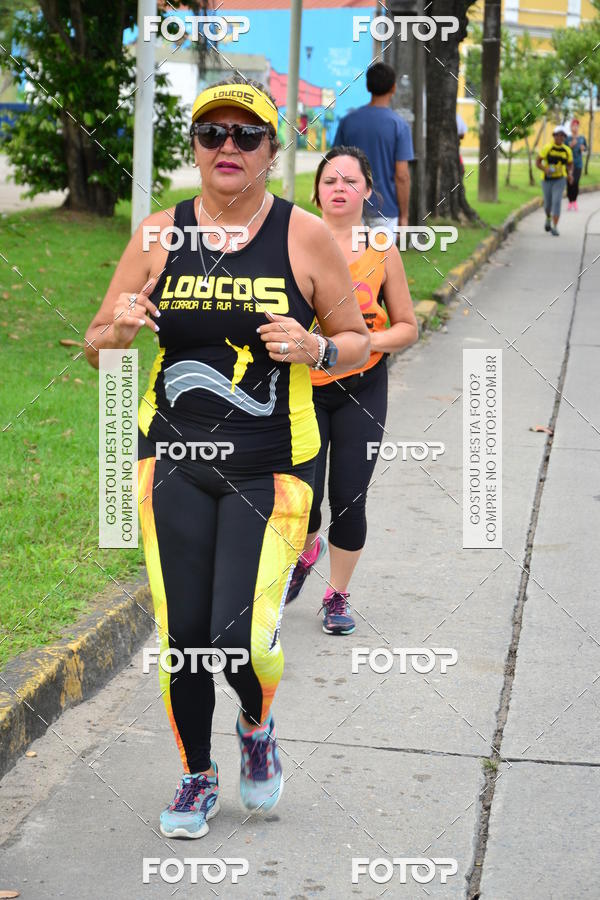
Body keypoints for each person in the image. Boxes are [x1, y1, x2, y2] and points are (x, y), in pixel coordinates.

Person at [84, 77, 370, 838]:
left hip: (270, 466)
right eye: (214, 134)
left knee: (238, 636)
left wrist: (315, 346)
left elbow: (360, 343)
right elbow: (96, 345)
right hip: (171, 460)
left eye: (248, 135)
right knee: (183, 639)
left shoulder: (304, 235)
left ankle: (255, 725)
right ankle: (196, 777)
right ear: (197, 148)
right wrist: (116, 329)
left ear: (272, 152)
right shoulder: (158, 234)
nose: (229, 147)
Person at [285, 146, 419, 634]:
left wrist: (362, 344)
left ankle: (337, 595)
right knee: (302, 495)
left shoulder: (382, 249)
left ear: (366, 189)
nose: (339, 188)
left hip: (363, 386)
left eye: (350, 180)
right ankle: (306, 549)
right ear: (316, 192)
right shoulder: (293, 246)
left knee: (349, 496)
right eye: (329, 181)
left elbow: (408, 326)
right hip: (304, 387)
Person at [333, 63, 414, 229]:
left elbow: (334, 166)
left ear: (368, 86)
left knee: (350, 255)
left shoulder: (348, 122)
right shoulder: (399, 126)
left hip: (350, 208)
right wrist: (404, 216)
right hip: (386, 212)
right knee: (382, 256)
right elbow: (402, 176)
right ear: (393, 88)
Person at [536, 125, 573, 237]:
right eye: (558, 135)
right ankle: (548, 218)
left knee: (557, 202)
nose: (560, 137)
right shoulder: (548, 148)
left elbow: (570, 164)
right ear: (554, 135)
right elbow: (538, 162)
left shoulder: (567, 150)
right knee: (548, 204)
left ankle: (555, 227)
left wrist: (570, 174)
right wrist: (545, 169)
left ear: (564, 137)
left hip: (560, 179)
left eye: (562, 135)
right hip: (547, 179)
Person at [567, 118, 587, 211]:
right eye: (573, 126)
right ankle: (570, 201)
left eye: (577, 126)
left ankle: (574, 200)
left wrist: (583, 148)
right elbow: (565, 149)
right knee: (569, 182)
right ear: (571, 127)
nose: (575, 127)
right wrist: (571, 145)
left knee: (575, 182)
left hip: (578, 164)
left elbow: (586, 148)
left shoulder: (582, 138)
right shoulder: (568, 138)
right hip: (569, 164)